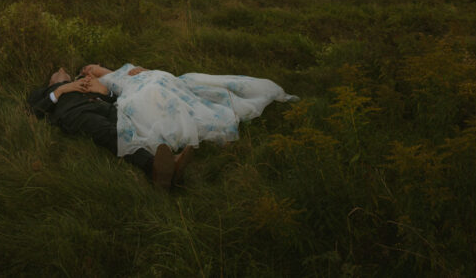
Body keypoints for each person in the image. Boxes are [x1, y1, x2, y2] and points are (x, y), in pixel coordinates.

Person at [79, 62, 297, 158]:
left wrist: (145, 71)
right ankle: (198, 132)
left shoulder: (126, 68)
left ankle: (210, 125)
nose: (87, 71)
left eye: (89, 67)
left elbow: (150, 72)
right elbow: (107, 95)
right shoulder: (105, 81)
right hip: (135, 89)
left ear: (98, 64)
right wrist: (96, 83)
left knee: (162, 86)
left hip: (154, 78)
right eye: (84, 73)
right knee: (147, 97)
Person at [26, 67, 193, 191]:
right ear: (51, 81)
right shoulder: (43, 92)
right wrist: (61, 89)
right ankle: (153, 168)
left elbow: (114, 98)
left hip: (103, 107)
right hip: (76, 114)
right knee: (111, 133)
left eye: (65, 71)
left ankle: (168, 163)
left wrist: (103, 91)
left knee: (133, 126)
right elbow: (34, 112)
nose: (62, 69)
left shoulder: (80, 82)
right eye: (58, 70)